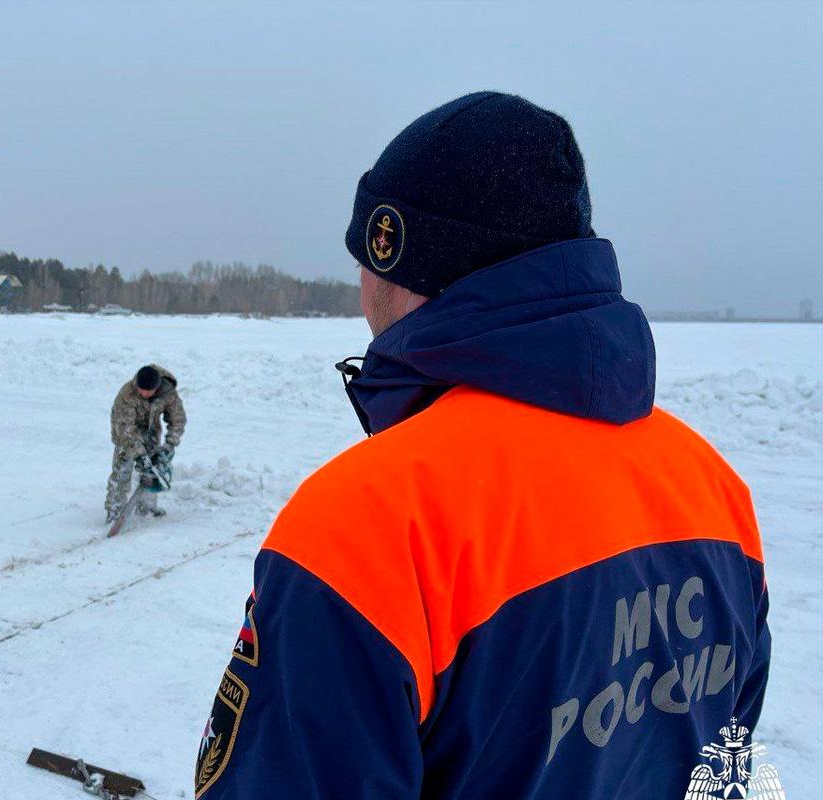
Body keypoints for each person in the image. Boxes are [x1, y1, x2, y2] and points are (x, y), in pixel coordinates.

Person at [194, 93, 770, 799]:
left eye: (361, 259)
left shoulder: (369, 522)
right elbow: (725, 763)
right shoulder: (711, 485)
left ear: (396, 261)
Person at [106, 365, 186, 522]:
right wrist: (139, 454)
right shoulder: (127, 394)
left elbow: (178, 419)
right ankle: (114, 510)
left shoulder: (168, 393)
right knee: (122, 470)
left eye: (146, 391)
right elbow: (124, 428)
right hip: (126, 434)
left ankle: (147, 506)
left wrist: (170, 444)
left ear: (156, 388)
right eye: (140, 389)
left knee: (152, 471)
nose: (142, 393)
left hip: (150, 433)